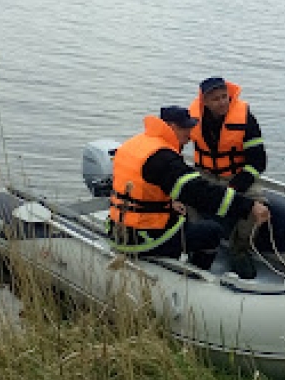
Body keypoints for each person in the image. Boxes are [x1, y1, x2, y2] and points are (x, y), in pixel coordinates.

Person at [108, 105, 270, 270]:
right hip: (144, 238)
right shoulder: (163, 157)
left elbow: (142, 185)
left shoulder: (138, 144)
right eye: (185, 128)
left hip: (118, 230)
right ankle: (196, 272)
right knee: (211, 231)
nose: (190, 133)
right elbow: (200, 193)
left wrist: (170, 203)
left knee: (182, 214)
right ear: (171, 127)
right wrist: (248, 206)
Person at [188, 76, 268, 279]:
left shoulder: (245, 119)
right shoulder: (193, 119)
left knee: (256, 206)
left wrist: (235, 186)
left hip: (238, 175)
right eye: (216, 99)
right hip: (206, 173)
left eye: (225, 97)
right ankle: (196, 246)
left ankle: (240, 251)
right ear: (204, 102)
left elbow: (258, 162)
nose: (223, 102)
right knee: (187, 197)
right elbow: (174, 144)